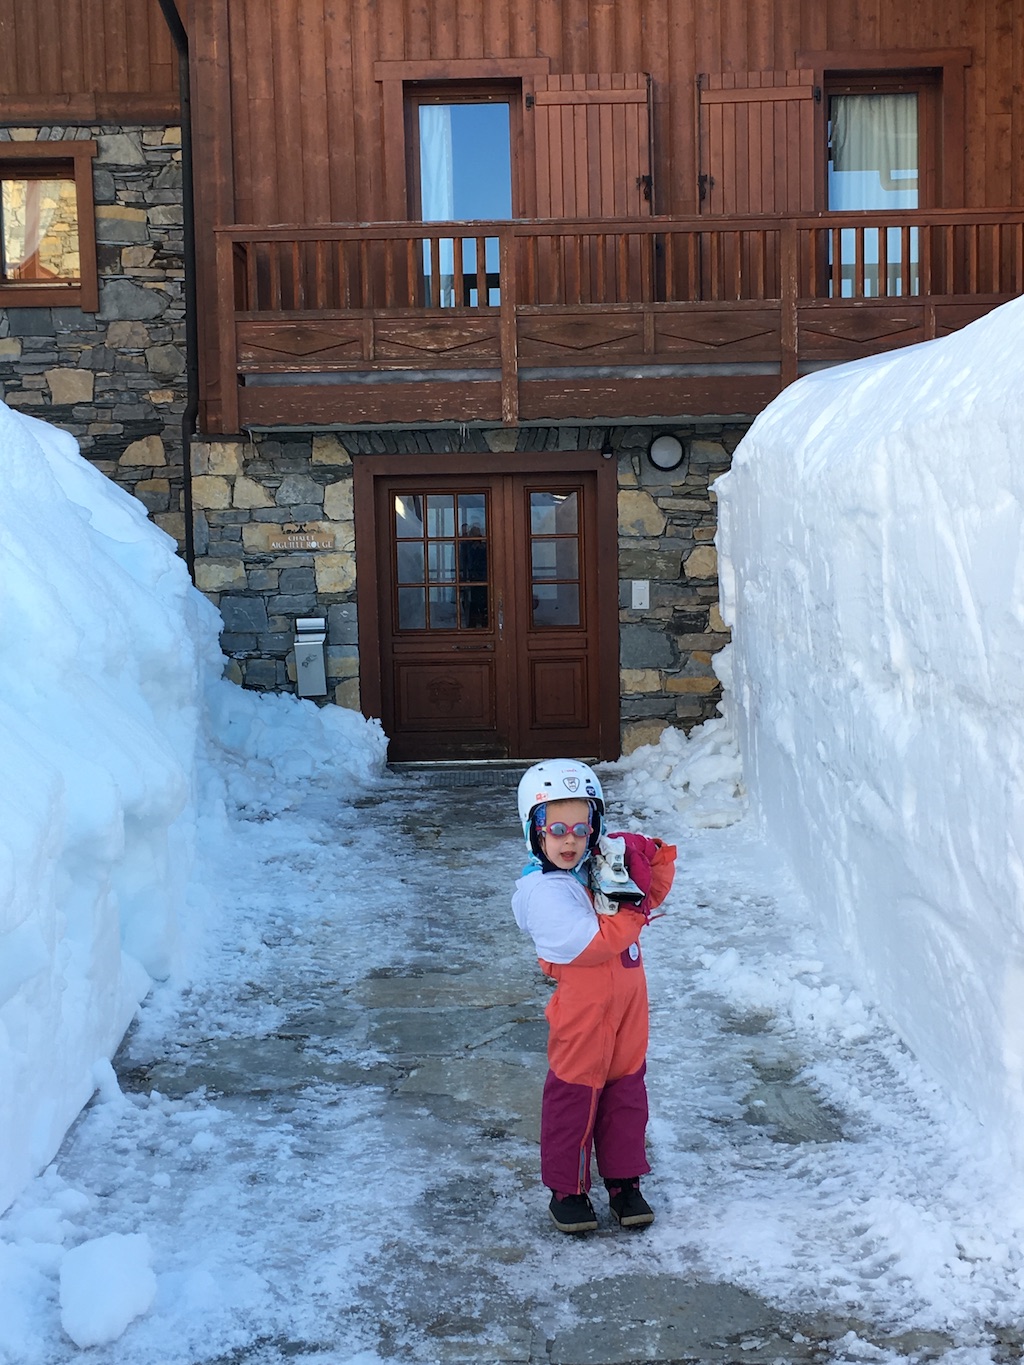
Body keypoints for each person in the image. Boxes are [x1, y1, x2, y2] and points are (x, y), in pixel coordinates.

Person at [512, 759, 676, 1234]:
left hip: (628, 1004)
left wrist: (648, 855)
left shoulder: (599, 872)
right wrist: (631, 907)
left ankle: (624, 1182)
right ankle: (568, 1188)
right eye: (556, 828)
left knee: (627, 1092)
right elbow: (592, 943)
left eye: (581, 829)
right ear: (535, 833)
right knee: (575, 1095)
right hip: (583, 1011)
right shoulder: (541, 891)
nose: (569, 841)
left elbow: (653, 893)